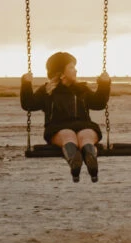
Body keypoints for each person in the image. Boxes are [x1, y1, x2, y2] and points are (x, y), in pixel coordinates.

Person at [20, 52, 111, 183]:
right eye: (71, 67)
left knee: (73, 137)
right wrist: (26, 84)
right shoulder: (48, 91)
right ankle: (89, 157)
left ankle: (75, 160)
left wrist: (104, 83)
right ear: (61, 73)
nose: (76, 70)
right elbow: (29, 104)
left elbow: (98, 103)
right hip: (61, 127)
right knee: (82, 137)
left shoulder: (81, 89)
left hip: (67, 127)